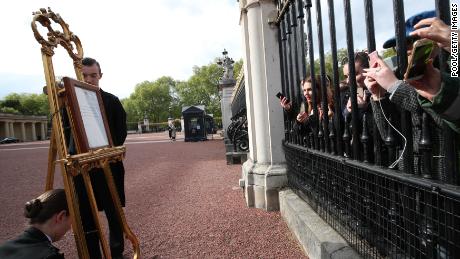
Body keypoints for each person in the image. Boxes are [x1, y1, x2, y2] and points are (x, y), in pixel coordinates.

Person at [77, 57, 127, 259]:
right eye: (85, 75)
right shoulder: (69, 102)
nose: (89, 80)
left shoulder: (112, 101)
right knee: (86, 215)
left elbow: (119, 134)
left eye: (93, 75)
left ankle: (116, 253)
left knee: (113, 213)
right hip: (83, 169)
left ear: (100, 76)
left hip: (108, 166)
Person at [0, 189, 70, 259]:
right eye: (71, 222)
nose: (70, 228)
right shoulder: (50, 256)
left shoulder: (3, 248)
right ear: (61, 216)